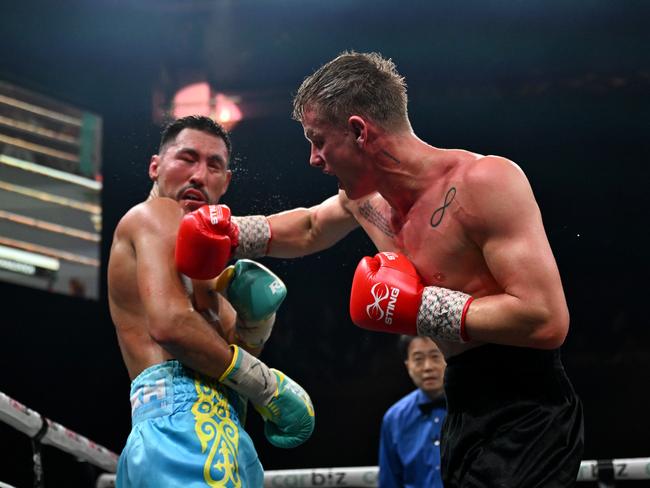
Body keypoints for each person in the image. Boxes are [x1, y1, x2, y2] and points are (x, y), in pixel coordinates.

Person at [176, 52, 583, 487]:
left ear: (358, 131)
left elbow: (545, 319)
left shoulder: (484, 183)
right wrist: (232, 231)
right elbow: (312, 226)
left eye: (318, 140)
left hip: (526, 406)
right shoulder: (367, 200)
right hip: (461, 405)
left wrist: (418, 308)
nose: (314, 159)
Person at [107, 115, 314, 488]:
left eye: (213, 165)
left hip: (218, 430)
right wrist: (267, 387)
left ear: (226, 182)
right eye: (187, 158)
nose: (199, 176)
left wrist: (256, 322)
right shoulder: (156, 214)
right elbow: (171, 324)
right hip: (179, 432)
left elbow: (232, 353)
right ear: (156, 166)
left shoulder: (209, 261)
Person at [379, 336, 447, 488]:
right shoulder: (394, 418)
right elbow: (389, 482)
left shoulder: (473, 409)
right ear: (407, 365)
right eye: (418, 359)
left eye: (435, 356)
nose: (428, 367)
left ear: (448, 358)